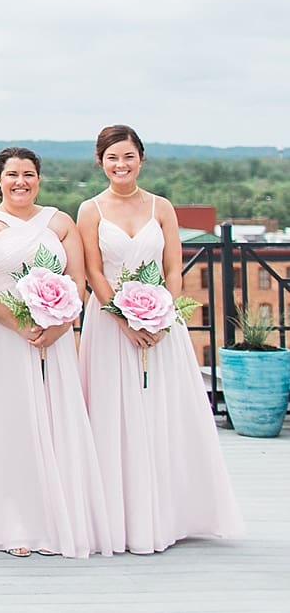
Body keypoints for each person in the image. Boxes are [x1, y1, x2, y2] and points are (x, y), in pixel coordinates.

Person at [76, 124, 243, 553]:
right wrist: (125, 319)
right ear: (101, 162)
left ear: (141, 158)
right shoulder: (90, 210)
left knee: (161, 410)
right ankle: (118, 517)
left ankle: (165, 514)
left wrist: (161, 315)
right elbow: (93, 271)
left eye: (128, 156)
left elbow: (173, 267)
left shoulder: (161, 206)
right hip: (110, 325)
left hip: (162, 323)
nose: (121, 165)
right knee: (113, 413)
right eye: (112, 158)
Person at [0, 146, 111, 558]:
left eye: (28, 174)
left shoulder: (60, 221)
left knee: (53, 419)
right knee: (9, 423)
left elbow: (77, 280)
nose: (20, 182)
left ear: (39, 179)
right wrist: (19, 323)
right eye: (12, 175)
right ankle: (14, 525)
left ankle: (57, 520)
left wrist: (59, 324)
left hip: (54, 337)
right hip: (2, 336)